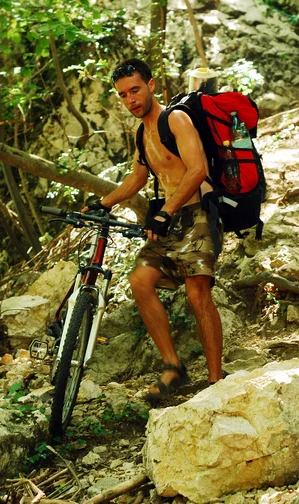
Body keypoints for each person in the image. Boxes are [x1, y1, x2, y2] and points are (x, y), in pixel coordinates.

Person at [86, 58, 223, 400]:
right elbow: (138, 176)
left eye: (135, 89)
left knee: (197, 293)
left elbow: (197, 169)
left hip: (197, 212)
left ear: (151, 86)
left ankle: (216, 381)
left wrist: (166, 211)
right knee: (139, 280)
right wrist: (105, 202)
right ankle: (172, 367)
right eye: (123, 95)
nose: (130, 99)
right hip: (170, 218)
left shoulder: (174, 119)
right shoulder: (141, 132)